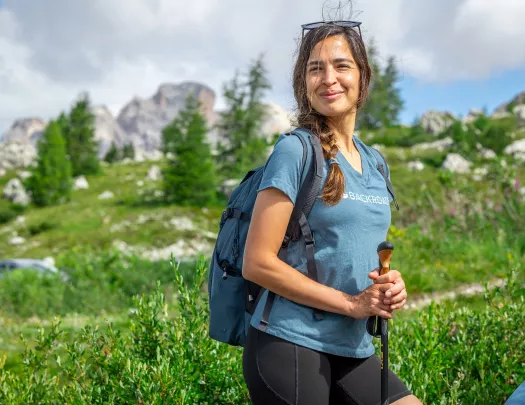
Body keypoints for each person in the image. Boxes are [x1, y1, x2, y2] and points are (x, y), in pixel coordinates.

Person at [241, 20, 423, 405]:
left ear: (363, 76)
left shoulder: (375, 163)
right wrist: (353, 304)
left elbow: (350, 248)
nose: (329, 78)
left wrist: (388, 285)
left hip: (352, 347)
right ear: (303, 83)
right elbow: (256, 263)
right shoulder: (295, 151)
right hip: (289, 343)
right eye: (315, 68)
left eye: (341, 66)